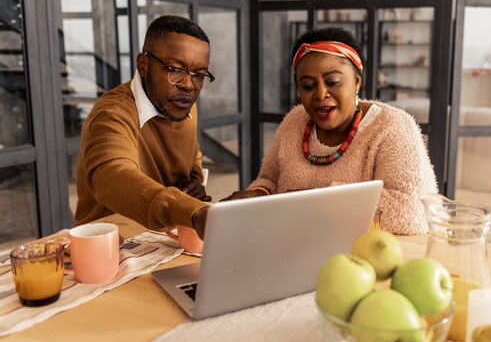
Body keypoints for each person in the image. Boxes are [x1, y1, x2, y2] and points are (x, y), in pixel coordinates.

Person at [225, 27, 437, 234]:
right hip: (293, 248)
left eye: (332, 82)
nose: (320, 94)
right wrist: (257, 193)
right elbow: (270, 179)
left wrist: (317, 201)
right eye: (308, 86)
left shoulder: (392, 127)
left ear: (356, 82)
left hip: (363, 259)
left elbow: (414, 211)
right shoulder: (295, 121)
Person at [74, 15, 213, 238]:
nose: (189, 85)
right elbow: (112, 176)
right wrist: (190, 210)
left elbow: (192, 152)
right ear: (144, 65)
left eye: (199, 75)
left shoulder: (182, 105)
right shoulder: (113, 113)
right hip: (115, 245)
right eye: (175, 70)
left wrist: (194, 180)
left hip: (166, 240)